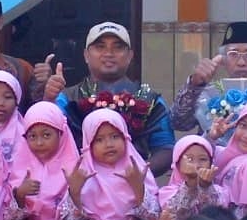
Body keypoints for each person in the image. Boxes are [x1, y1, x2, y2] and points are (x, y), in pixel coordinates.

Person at [57, 21, 175, 159]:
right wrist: (48, 99)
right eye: (100, 47)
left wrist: (141, 171)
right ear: (86, 55)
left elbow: (166, 149)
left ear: (130, 56)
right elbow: (49, 141)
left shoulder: (151, 101)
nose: (108, 53)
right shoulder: (67, 99)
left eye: (118, 47)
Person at [171, 20, 247, 146]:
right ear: (223, 60)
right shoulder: (209, 96)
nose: (241, 62)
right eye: (233, 54)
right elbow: (178, 122)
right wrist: (195, 85)